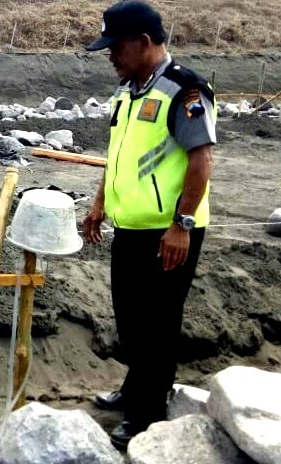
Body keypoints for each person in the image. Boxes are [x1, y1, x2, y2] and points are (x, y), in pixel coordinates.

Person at [81, 0, 216, 450]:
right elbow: (118, 155)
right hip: (131, 228)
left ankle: (146, 413)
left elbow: (201, 160)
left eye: (115, 47)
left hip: (169, 233)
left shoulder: (185, 90)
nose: (110, 55)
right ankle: (135, 387)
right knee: (132, 320)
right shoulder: (129, 90)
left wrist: (181, 223)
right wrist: (100, 202)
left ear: (142, 42)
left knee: (157, 324)